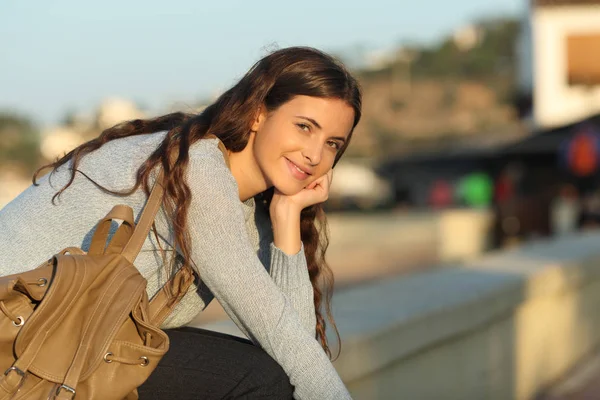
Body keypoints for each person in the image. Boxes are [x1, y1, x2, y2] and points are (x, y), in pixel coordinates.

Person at [0, 46, 361, 399]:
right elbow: (283, 339)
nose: (315, 154)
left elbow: (293, 343)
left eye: (332, 143)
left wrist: (287, 217)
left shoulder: (252, 211)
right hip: (18, 333)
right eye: (303, 127)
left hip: (77, 340)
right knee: (255, 379)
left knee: (263, 374)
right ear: (257, 115)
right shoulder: (196, 168)